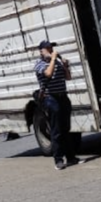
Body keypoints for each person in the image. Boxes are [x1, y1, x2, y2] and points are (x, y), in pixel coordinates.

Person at [35, 41, 78, 171]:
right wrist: (53, 59)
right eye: (48, 48)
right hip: (51, 98)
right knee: (56, 130)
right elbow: (48, 74)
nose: (51, 50)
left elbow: (68, 77)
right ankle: (58, 160)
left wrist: (65, 66)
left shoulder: (57, 63)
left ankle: (71, 157)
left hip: (63, 96)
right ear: (42, 51)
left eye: (51, 48)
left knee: (66, 128)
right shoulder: (39, 64)